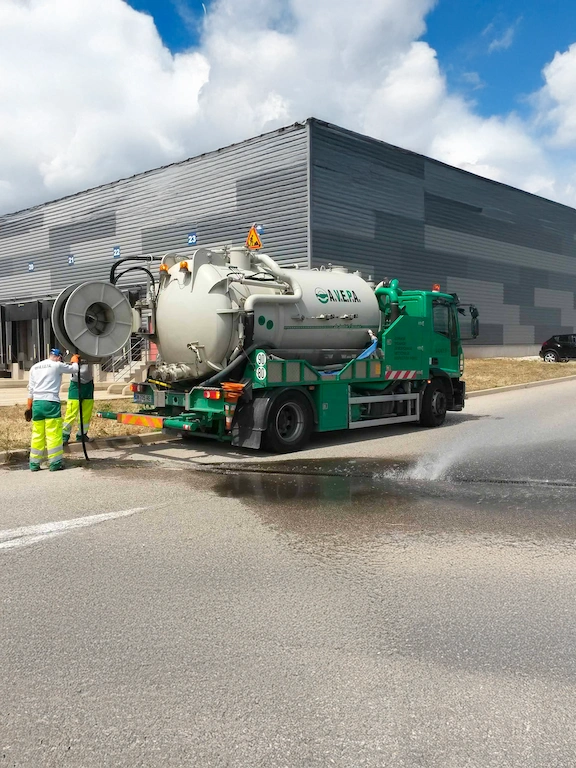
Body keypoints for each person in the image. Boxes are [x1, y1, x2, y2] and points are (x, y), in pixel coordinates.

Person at [26, 349, 79, 472]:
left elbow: (31, 389)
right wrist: (75, 360)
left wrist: (29, 407)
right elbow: (74, 369)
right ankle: (55, 463)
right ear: (59, 357)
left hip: (37, 404)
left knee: (37, 434)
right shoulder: (57, 365)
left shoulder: (35, 367)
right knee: (53, 433)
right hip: (51, 402)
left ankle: (34, 464)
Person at [63, 362, 94, 444]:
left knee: (86, 413)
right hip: (75, 384)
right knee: (71, 412)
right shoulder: (72, 355)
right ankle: (64, 436)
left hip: (89, 384)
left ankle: (82, 435)